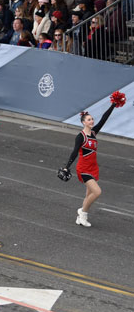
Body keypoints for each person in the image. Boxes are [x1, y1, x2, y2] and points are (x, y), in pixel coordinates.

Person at [60, 96, 121, 227]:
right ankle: (83, 213)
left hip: (93, 168)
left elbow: (104, 119)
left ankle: (80, 216)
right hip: (83, 168)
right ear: (83, 122)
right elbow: (74, 152)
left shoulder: (93, 133)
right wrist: (67, 167)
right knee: (97, 192)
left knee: (89, 195)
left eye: (92, 119)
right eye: (89, 119)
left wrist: (113, 105)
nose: (92, 121)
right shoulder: (80, 136)